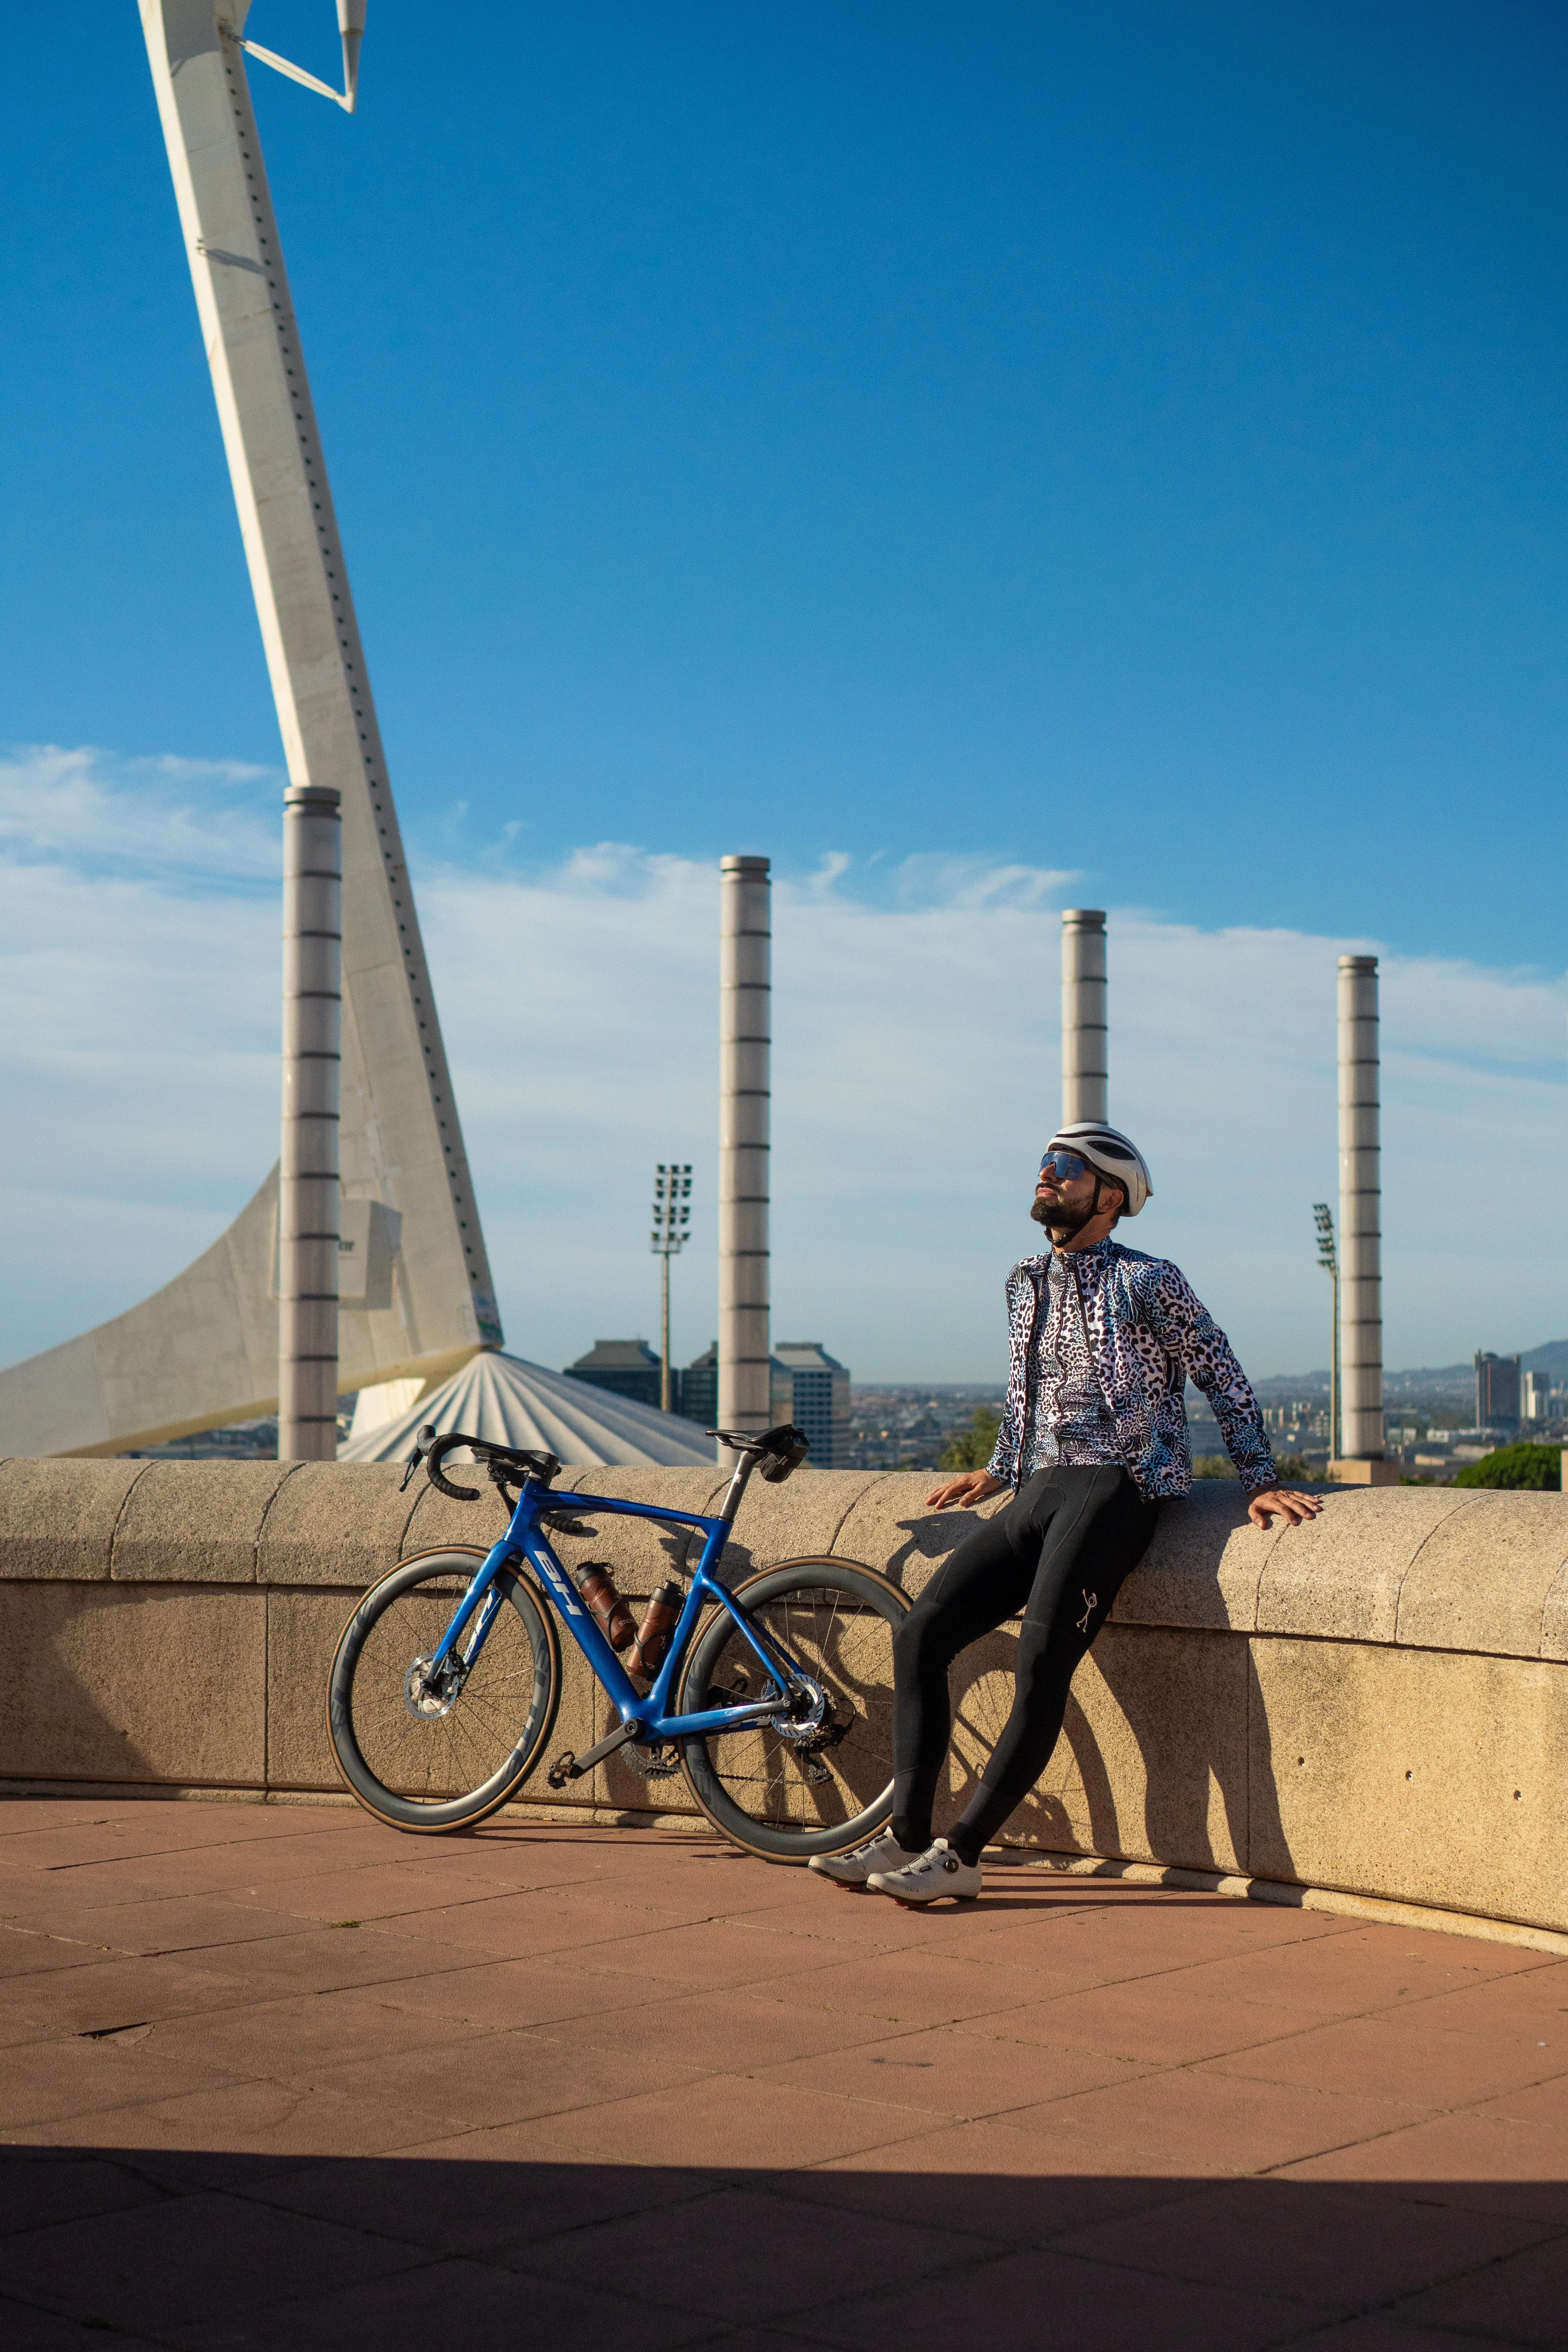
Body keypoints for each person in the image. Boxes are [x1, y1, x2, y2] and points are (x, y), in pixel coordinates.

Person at [809, 1122, 1322, 1906]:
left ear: (1108, 1196)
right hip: (1039, 1488)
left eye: (1063, 1169)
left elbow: (1221, 1373)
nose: (1045, 1177)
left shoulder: (1150, 1280)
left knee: (1039, 1667)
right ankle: (906, 1837)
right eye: (1043, 1166)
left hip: (1115, 1491)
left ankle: (963, 1853)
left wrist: (1256, 1477)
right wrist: (996, 1470)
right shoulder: (1023, 1280)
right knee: (921, 1633)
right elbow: (1025, 1390)